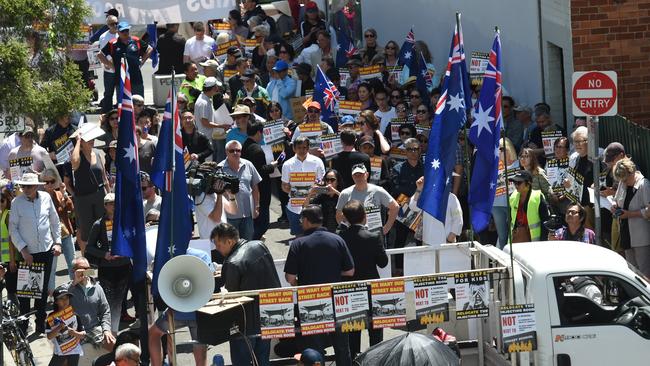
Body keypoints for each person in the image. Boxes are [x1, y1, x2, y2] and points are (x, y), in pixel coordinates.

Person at [284, 205, 354, 366]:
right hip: (336, 299)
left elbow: (290, 277)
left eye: (302, 220)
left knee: (314, 350)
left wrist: (300, 283)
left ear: (307, 220)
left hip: (310, 300)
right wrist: (334, 275)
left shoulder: (298, 243)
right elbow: (350, 271)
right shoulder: (337, 239)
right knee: (342, 347)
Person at [211, 223, 281, 366]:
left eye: (218, 245)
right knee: (262, 359)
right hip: (268, 315)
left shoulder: (232, 262)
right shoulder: (259, 245)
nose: (217, 249)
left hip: (244, 323)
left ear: (229, 241)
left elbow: (230, 296)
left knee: (241, 360)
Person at [9, 172, 62, 335]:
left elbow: (54, 221)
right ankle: (24, 325)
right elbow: (13, 229)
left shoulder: (46, 197)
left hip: (45, 251)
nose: (26, 189)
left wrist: (58, 242)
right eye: (23, 186)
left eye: (29, 186)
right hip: (27, 254)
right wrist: (23, 250)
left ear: (36, 186)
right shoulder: (16, 203)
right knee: (25, 293)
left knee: (43, 290)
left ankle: (40, 323)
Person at [339, 200, 387, 357]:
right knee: (375, 329)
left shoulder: (340, 237)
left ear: (345, 218)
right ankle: (376, 359)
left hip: (349, 288)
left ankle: (354, 359)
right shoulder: (373, 237)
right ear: (365, 217)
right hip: (371, 287)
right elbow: (383, 262)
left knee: (353, 328)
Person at [148, 248, 210, 366]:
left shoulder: (167, 254)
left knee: (153, 333)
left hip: (176, 312)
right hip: (199, 313)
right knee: (200, 344)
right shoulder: (202, 255)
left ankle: (157, 364)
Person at [85, 193, 131, 333]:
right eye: (110, 203)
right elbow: (89, 247)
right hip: (107, 267)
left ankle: (123, 314)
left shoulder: (124, 221)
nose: (114, 206)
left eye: (116, 203)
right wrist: (104, 254)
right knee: (109, 296)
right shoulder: (98, 224)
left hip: (124, 264)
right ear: (105, 206)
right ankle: (108, 325)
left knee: (122, 294)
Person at [67, 257, 115, 362]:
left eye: (87, 268)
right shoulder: (68, 289)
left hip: (94, 329)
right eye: (82, 268)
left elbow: (105, 311)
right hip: (75, 331)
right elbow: (60, 306)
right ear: (74, 271)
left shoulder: (97, 288)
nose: (85, 271)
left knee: (115, 345)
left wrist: (106, 330)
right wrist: (74, 283)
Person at [71, 125, 109, 253]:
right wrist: (77, 142)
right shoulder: (78, 155)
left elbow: (104, 177)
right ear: (82, 142)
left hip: (99, 195)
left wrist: (109, 196)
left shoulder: (98, 154)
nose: (92, 141)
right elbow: (74, 162)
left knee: (103, 226)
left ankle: (104, 253)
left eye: (93, 138)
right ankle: (87, 257)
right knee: (86, 230)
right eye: (88, 139)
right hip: (83, 198)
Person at [612, 158, 650, 277]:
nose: (623, 182)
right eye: (621, 180)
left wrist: (630, 214)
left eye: (625, 179)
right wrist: (614, 206)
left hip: (641, 236)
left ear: (632, 172)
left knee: (644, 271)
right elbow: (616, 200)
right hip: (625, 232)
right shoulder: (622, 183)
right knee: (631, 270)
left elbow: (649, 211)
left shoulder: (644, 185)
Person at [336, 164, 399, 235]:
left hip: (374, 234)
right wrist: (346, 231)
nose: (358, 177)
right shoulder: (345, 193)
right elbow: (338, 215)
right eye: (355, 175)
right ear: (352, 176)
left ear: (367, 175)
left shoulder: (378, 191)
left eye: (361, 174)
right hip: (353, 235)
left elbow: (395, 207)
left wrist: (386, 228)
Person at [217, 140, 262, 240]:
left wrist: (256, 206)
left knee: (247, 243)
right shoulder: (219, 169)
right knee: (231, 245)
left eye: (238, 150)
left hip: (247, 214)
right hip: (228, 216)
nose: (235, 153)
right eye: (232, 150)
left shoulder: (248, 165)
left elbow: (255, 187)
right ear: (226, 152)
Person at [281, 136, 326, 237]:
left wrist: (315, 188)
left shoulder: (317, 161)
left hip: (314, 206)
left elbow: (323, 182)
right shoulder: (287, 164)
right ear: (294, 148)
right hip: (294, 207)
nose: (302, 150)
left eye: (305, 147)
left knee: (315, 237)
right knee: (299, 238)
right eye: (299, 147)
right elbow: (284, 186)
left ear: (308, 147)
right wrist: (287, 188)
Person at [242, 121, 280, 239]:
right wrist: (273, 166)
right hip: (260, 189)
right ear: (259, 132)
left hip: (249, 188)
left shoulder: (245, 145)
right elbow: (261, 170)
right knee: (263, 223)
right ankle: (252, 240)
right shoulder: (257, 150)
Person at [98, 21, 153, 99]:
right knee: (123, 104)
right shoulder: (112, 43)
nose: (125, 33)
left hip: (136, 78)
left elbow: (149, 49)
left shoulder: (136, 40)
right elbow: (100, 55)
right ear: (118, 32)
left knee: (138, 102)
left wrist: (142, 61)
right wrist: (111, 66)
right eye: (122, 31)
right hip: (121, 80)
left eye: (126, 30)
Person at [41, 169, 75, 287]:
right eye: (46, 182)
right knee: (51, 267)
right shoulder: (40, 198)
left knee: (72, 262)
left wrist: (64, 192)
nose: (49, 184)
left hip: (65, 233)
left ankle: (75, 288)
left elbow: (71, 208)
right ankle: (51, 292)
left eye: (52, 181)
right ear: (42, 183)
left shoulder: (59, 194)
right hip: (50, 237)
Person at [409, 177, 463, 246]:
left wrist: (449, 240)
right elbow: (413, 207)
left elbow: (458, 221)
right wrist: (419, 189)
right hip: (427, 243)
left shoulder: (451, 197)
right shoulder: (425, 197)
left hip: (446, 243)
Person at [46, 285, 86, 366]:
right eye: (61, 298)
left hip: (74, 352)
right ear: (56, 301)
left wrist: (73, 332)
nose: (65, 301)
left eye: (67, 298)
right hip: (59, 353)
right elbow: (49, 336)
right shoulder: (51, 317)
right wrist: (59, 327)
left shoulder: (74, 315)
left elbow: (83, 335)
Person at [509, 170, 550, 243]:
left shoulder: (538, 197)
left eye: (519, 182)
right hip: (516, 239)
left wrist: (543, 242)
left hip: (534, 243)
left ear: (528, 183)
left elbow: (545, 222)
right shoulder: (512, 197)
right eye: (515, 182)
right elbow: (510, 220)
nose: (516, 185)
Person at [98, 15, 119, 113]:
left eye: (116, 23)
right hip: (109, 70)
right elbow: (103, 54)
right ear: (108, 25)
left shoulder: (121, 34)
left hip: (120, 69)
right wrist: (111, 66)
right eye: (112, 24)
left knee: (121, 92)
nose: (115, 25)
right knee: (108, 93)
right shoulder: (104, 37)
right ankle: (107, 114)